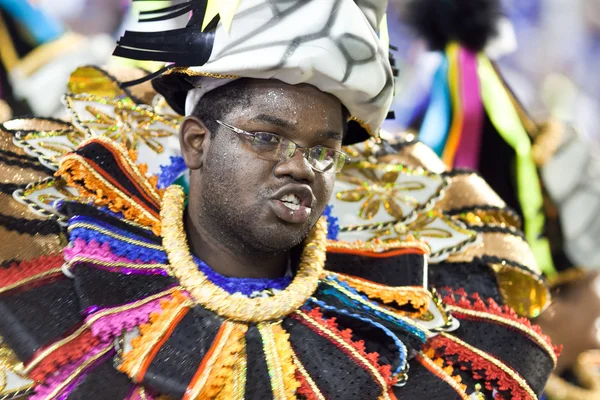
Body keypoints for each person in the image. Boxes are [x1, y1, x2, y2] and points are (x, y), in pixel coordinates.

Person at [0, 1, 557, 398]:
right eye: (267, 137)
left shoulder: (399, 339)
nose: (299, 165)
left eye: (324, 150)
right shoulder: (68, 297)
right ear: (197, 142)